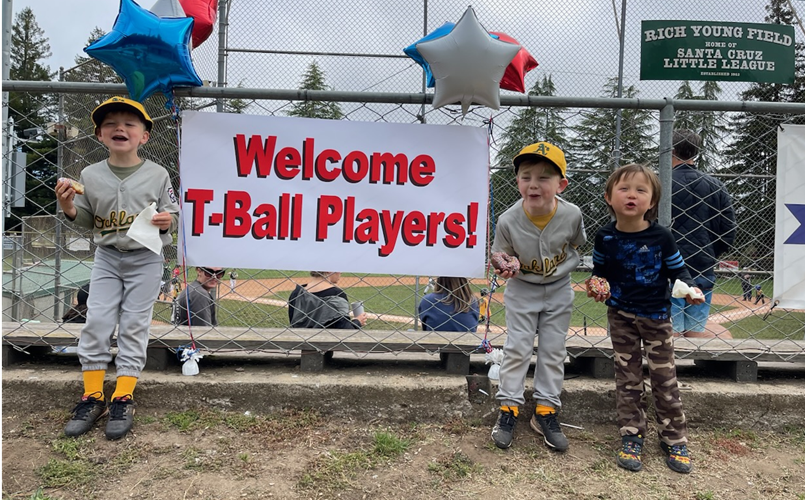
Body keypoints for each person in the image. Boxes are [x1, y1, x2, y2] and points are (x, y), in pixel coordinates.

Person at [54, 96, 180, 440]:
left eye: (129, 124)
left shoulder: (157, 173)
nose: (119, 128)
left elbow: (175, 213)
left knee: (135, 323)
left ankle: (123, 394)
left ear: (145, 136)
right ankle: (92, 394)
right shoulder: (90, 175)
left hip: (146, 257)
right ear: (99, 135)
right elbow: (83, 218)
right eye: (110, 124)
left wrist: (168, 221)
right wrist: (67, 205)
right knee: (96, 319)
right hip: (108, 257)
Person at [587, 163, 703, 474]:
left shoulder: (662, 236)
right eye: (624, 189)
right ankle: (632, 433)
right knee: (628, 378)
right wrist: (597, 286)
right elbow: (599, 273)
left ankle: (674, 437)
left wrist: (690, 288)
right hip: (620, 315)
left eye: (641, 190)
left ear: (651, 202)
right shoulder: (604, 237)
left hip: (657, 318)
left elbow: (678, 270)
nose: (632, 195)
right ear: (609, 197)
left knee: (664, 379)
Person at [489, 142, 586, 452]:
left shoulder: (572, 214)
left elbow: (576, 245)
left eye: (545, 177)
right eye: (526, 176)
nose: (534, 184)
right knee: (517, 347)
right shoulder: (507, 220)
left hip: (559, 288)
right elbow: (500, 253)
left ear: (562, 184)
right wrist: (504, 264)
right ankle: (509, 407)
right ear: (517, 181)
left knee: (554, 349)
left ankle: (545, 408)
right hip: (522, 289)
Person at [670, 129, 736, 337]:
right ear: (696, 152)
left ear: (670, 149)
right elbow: (729, 230)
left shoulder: (658, 183)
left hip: (666, 266)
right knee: (696, 331)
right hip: (702, 265)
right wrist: (709, 252)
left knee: (667, 331)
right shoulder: (716, 185)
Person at [288, 272, 368, 329]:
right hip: (326, 345)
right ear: (329, 270)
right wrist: (357, 322)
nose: (341, 272)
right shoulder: (336, 294)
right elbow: (344, 329)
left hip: (301, 342)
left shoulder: (297, 292)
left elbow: (293, 322)